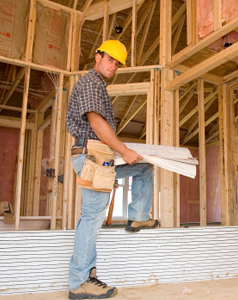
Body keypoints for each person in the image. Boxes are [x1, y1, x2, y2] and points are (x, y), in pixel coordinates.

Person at [66, 40, 159, 299]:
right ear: (97, 57)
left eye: (117, 63)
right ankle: (80, 282)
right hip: (93, 156)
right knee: (92, 217)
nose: (113, 66)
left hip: (102, 157)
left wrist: (119, 155)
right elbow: (96, 124)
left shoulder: (100, 87)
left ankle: (137, 216)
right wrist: (124, 151)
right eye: (110, 60)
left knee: (143, 168)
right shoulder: (91, 83)